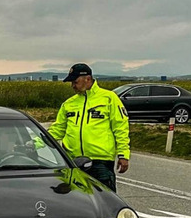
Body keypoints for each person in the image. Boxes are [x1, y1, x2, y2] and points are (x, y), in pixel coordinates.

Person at [47, 63, 130, 191]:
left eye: (75, 82)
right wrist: (34, 143)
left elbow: (120, 128)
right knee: (75, 203)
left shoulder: (109, 98)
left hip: (100, 162)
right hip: (73, 162)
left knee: (105, 203)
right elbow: (57, 129)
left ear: (88, 79)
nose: (73, 86)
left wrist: (123, 155)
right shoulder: (69, 104)